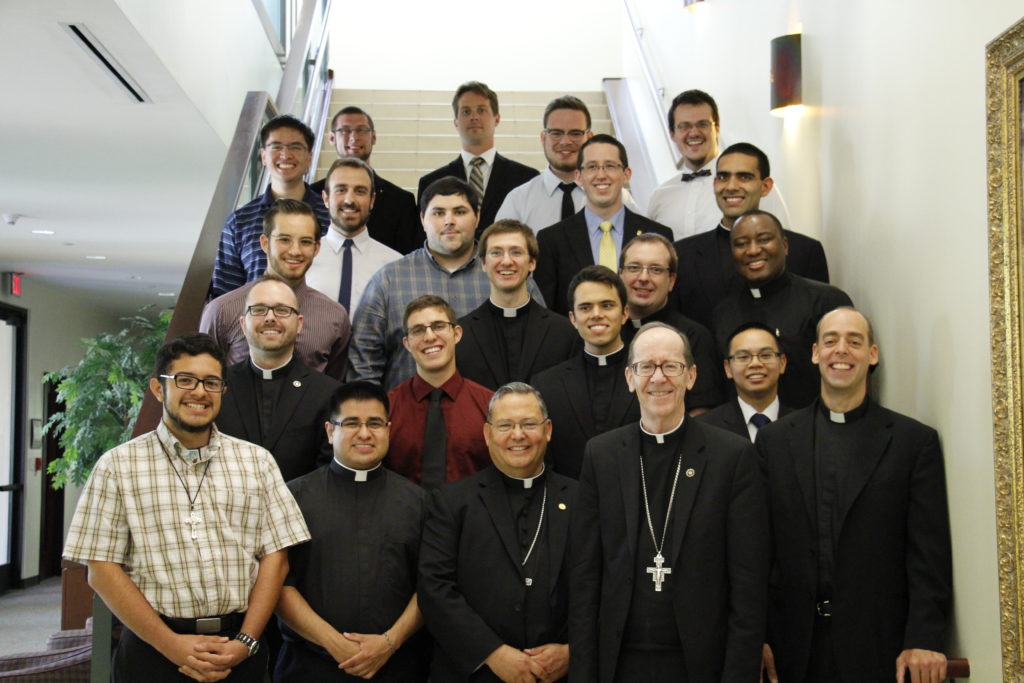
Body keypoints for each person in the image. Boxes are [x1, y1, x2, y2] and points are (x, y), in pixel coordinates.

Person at [63, 333, 310, 682]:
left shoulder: (257, 462)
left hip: (238, 649)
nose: (199, 392)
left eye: (211, 382)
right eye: (185, 380)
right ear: (158, 388)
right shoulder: (118, 466)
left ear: (223, 391)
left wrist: (246, 640)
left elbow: (276, 557)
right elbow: (101, 570)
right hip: (153, 649)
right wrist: (171, 645)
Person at [757, 307, 952, 683]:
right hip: (791, 649)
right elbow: (758, 549)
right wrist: (758, 636)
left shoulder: (913, 443)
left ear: (872, 355)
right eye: (830, 341)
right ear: (815, 353)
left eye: (854, 341)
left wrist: (925, 638)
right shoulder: (775, 441)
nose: (841, 350)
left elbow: (928, 554)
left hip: (879, 648)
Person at [569, 322, 770, 682]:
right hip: (619, 663)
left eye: (671, 366)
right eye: (646, 366)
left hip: (701, 663)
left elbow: (748, 585)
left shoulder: (731, 456)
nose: (658, 378)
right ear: (630, 377)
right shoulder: (602, 455)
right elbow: (585, 579)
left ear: (690, 376)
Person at [419, 383, 575, 682]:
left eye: (529, 424)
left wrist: (572, 651)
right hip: (474, 672)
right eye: (505, 425)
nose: (518, 435)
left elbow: (600, 588)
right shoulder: (452, 503)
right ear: (488, 434)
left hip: (558, 674)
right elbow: (434, 589)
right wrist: (493, 653)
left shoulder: (582, 501)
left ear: (548, 430)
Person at [275, 381, 428, 681]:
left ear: (388, 429)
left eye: (375, 423)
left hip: (397, 666)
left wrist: (388, 643)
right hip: (310, 667)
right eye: (351, 423)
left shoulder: (418, 502)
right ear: (331, 432)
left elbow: (431, 586)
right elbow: (277, 584)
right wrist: (335, 644)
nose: (364, 433)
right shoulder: (293, 497)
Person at [347, 176, 542, 390]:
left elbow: (540, 346)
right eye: (438, 213)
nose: (449, 221)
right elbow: (363, 363)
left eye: (459, 212)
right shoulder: (389, 280)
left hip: (493, 416)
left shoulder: (508, 275)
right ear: (422, 219)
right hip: (407, 416)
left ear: (477, 217)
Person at [674, 142, 829, 329]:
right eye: (723, 177)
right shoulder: (682, 255)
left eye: (744, 177)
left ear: (765, 186)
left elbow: (822, 330)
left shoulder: (805, 251)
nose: (731, 186)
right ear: (715, 184)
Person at [711, 210, 852, 408]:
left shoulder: (825, 301)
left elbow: (853, 374)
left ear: (785, 245)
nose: (752, 250)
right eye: (741, 244)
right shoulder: (723, 312)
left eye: (764, 239)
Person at [200, 198, 351, 380]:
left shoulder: (334, 317)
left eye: (305, 242)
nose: (295, 251)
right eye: (284, 239)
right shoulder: (222, 311)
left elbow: (333, 389)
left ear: (316, 248)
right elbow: (204, 379)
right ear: (264, 243)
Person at [215, 275, 341, 482]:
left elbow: (327, 473)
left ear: (299, 323)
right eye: (258, 310)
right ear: (243, 324)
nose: (270, 318)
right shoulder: (217, 387)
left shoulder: (328, 394)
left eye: (282, 310)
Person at [535, 134, 673, 316]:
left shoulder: (658, 235)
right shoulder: (551, 240)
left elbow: (668, 304)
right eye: (592, 167)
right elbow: (547, 313)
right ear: (578, 176)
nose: (601, 175)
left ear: (626, 175)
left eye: (610, 166)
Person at [530, 266, 639, 480]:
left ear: (625, 313)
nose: (596, 315)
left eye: (607, 305)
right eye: (586, 307)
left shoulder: (648, 377)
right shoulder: (547, 385)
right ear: (572, 318)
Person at [647, 90, 791, 241]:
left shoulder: (753, 186)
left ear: (717, 128)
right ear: (672, 134)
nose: (694, 133)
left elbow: (784, 242)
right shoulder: (660, 196)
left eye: (703, 124)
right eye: (684, 126)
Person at [212, 115, 330, 297]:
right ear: (264, 156)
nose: (285, 155)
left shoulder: (329, 216)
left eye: (295, 147)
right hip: (256, 322)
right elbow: (224, 293)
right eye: (276, 147)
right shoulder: (240, 221)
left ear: (309, 158)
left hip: (318, 321)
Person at [387, 295, 493, 489]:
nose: (429, 337)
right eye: (418, 330)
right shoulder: (387, 408)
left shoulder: (489, 406)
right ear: (407, 343)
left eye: (438, 326)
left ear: (457, 333)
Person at [456, 219, 577, 390]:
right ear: (483, 263)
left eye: (516, 252)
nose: (506, 261)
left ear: (532, 263)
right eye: (496, 253)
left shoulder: (564, 333)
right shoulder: (460, 335)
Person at [494, 95, 641, 231]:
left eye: (575, 133)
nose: (565, 141)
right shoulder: (518, 200)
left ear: (589, 138)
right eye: (556, 133)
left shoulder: (619, 198)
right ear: (543, 138)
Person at [618, 232, 723, 413]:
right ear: (620, 275)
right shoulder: (609, 334)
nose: (643, 278)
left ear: (671, 280)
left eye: (656, 269)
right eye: (634, 267)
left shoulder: (695, 337)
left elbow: (701, 412)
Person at [417, 81, 538, 235]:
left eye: (481, 110)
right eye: (466, 111)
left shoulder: (526, 178)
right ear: (455, 122)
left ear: (497, 119)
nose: (474, 117)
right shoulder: (430, 182)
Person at [310, 106, 421, 254]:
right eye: (345, 130)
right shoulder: (312, 195)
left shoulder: (401, 201)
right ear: (331, 138)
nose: (354, 137)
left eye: (361, 130)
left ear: (374, 137)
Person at [305, 157, 402, 317]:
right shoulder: (303, 259)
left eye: (360, 191)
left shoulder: (395, 265)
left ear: (372, 200)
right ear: (325, 198)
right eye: (341, 190)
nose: (349, 200)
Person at [697, 322, 791, 441]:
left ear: (782, 363)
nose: (755, 363)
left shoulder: (806, 425)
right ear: (727, 368)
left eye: (766, 355)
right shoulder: (705, 428)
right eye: (743, 357)